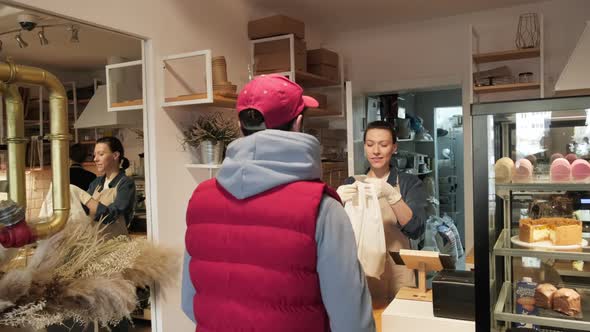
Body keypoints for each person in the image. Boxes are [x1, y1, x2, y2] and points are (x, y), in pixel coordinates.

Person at [182, 74, 375, 332]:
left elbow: (189, 302)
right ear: (298, 124)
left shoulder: (200, 201)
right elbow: (351, 320)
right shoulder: (321, 207)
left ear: (240, 128)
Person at [337, 120, 427, 307]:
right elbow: (339, 233)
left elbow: (416, 228)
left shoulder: (409, 183)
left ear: (394, 148)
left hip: (398, 272)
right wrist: (336, 202)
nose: (376, 151)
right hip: (362, 270)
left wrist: (393, 196)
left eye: (383, 145)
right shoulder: (352, 182)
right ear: (364, 147)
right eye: (370, 145)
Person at [73, 136, 136, 240]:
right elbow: (84, 211)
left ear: (115, 155)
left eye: (101, 154)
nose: (95, 159)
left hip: (117, 248)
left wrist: (84, 197)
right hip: (96, 246)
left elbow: (111, 216)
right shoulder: (96, 183)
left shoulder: (125, 183)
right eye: (94, 155)